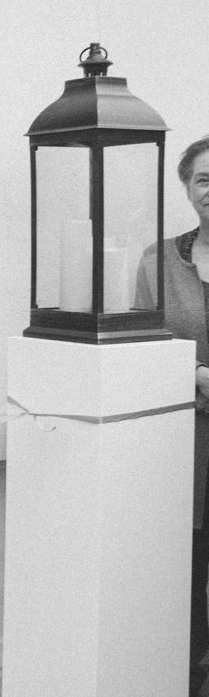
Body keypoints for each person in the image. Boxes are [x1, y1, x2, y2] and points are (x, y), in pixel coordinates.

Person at [136, 134, 209, 697]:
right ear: (186, 189)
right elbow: (142, 342)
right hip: (183, 440)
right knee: (186, 564)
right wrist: (195, 373)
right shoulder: (157, 260)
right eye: (203, 179)